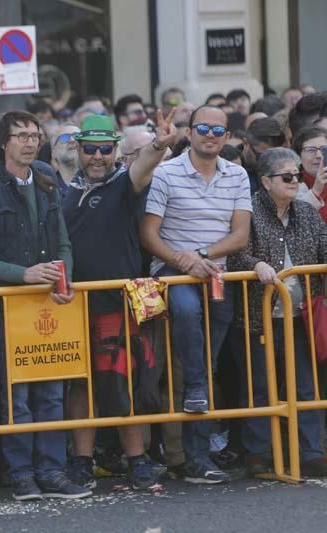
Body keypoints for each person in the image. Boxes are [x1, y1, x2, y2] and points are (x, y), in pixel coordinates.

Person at [0, 110, 90, 501]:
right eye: (21, 135)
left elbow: (63, 245)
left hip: (48, 307)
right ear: (3, 144)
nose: (31, 141)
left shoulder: (50, 186)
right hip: (7, 308)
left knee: (51, 394)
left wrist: (62, 280)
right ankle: (21, 473)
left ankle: (52, 471)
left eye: (35, 135)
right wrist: (24, 274)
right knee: (15, 396)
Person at [62, 111, 178, 492]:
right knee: (80, 385)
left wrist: (159, 144)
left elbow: (143, 166)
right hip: (71, 303)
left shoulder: (124, 183)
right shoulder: (62, 191)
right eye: (90, 149)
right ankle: (82, 461)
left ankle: (138, 460)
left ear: (116, 152)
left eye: (105, 149)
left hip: (119, 301)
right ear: (78, 150)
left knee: (128, 380)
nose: (98, 156)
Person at [140, 105, 252, 484]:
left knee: (208, 363)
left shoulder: (237, 175)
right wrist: (184, 262)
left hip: (216, 272)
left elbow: (240, 236)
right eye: (203, 128)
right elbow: (149, 235)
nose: (211, 135)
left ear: (227, 136)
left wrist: (202, 256)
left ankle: (198, 453)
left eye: (219, 130)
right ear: (188, 132)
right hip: (172, 272)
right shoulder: (166, 172)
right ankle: (194, 419)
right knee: (188, 326)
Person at [227, 148, 327, 478]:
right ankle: (257, 454)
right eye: (287, 177)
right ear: (266, 181)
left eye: (297, 175)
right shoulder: (247, 211)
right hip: (256, 313)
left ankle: (311, 453)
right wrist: (255, 264)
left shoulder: (308, 213)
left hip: (301, 313)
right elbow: (233, 255)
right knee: (257, 386)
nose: (295, 181)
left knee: (304, 384)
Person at [293, 126, 327, 222]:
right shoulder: (291, 182)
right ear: (298, 156)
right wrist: (316, 190)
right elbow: (295, 220)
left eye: (324, 150)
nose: (319, 156)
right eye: (311, 150)